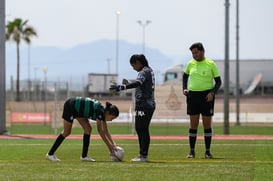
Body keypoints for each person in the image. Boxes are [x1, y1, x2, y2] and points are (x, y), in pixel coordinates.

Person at [110, 54, 156, 162]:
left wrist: (123, 87)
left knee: (142, 129)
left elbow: (138, 82)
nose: (133, 68)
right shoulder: (148, 70)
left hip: (144, 105)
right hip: (147, 104)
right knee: (141, 128)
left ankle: (143, 156)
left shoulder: (144, 71)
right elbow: (141, 84)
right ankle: (142, 155)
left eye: (133, 65)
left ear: (138, 62)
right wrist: (128, 83)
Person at [46, 97, 119, 162]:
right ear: (108, 113)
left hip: (78, 111)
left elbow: (106, 131)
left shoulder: (103, 113)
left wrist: (113, 143)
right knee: (66, 132)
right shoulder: (100, 111)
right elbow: (100, 130)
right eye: (112, 118)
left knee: (88, 129)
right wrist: (109, 147)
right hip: (71, 106)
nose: (111, 120)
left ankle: (84, 156)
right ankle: (50, 154)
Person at [182, 42, 222, 159]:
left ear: (202, 51)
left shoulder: (211, 64)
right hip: (193, 96)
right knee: (193, 125)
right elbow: (185, 76)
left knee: (206, 125)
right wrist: (184, 88)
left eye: (196, 52)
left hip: (206, 97)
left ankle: (207, 151)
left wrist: (212, 93)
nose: (194, 55)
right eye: (193, 53)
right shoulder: (190, 64)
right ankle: (191, 151)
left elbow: (219, 82)